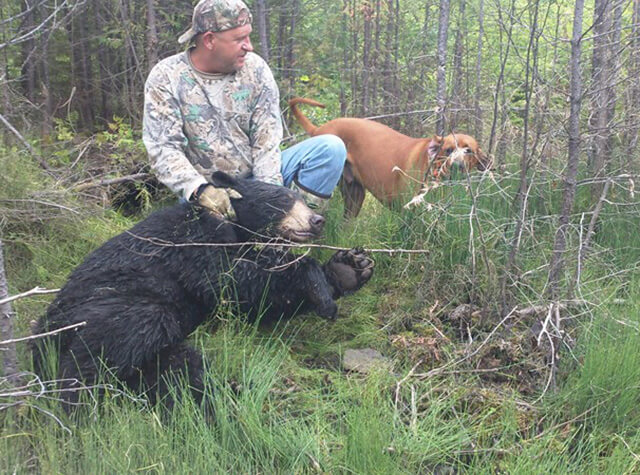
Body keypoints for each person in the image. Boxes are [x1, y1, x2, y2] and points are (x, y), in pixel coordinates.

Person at [142, 0, 346, 218]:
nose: (249, 46)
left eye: (248, 36)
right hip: (207, 192)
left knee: (330, 148)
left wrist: (269, 199)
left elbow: (266, 143)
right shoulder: (166, 77)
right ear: (210, 40)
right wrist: (199, 189)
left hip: (258, 182)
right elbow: (163, 148)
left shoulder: (256, 69)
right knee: (209, 227)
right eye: (239, 39)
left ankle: (291, 236)